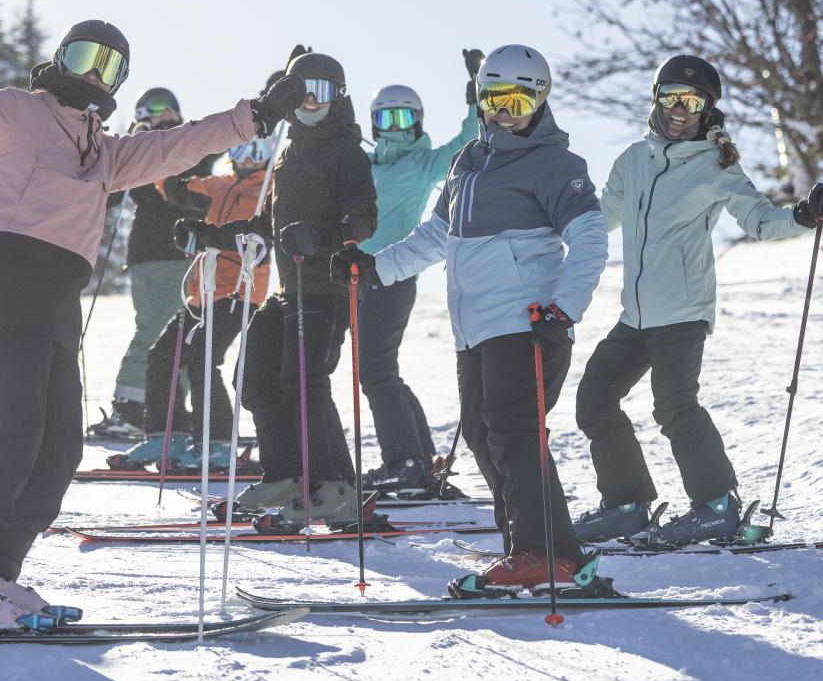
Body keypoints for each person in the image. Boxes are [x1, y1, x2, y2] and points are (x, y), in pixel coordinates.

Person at [0, 20, 303, 628]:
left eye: (111, 66)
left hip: (59, 301)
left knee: (59, 450)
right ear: (61, 56)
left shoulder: (106, 151)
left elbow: (181, 144)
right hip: (5, 289)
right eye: (86, 56)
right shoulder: (18, 114)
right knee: (13, 439)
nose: (95, 74)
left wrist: (258, 114)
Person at [332, 44, 611, 595]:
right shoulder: (468, 163)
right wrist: (374, 268)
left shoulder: (556, 163)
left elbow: (590, 241)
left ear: (540, 99)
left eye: (518, 99)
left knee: (512, 434)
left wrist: (562, 311)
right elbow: (437, 236)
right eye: (494, 98)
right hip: (475, 329)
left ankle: (537, 554)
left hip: (528, 321)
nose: (505, 111)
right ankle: (549, 554)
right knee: (487, 435)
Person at [572, 55, 823, 546]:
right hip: (635, 316)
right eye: (672, 96)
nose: (680, 109)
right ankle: (626, 505)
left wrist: (804, 214)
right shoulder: (632, 160)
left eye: (692, 101)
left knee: (674, 405)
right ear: (656, 98)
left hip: (682, 312)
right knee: (595, 399)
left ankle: (717, 506)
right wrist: (545, 223)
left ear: (707, 110)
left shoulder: (716, 166)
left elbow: (760, 220)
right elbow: (598, 220)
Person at [179, 49, 377, 528]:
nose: (311, 102)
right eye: (301, 92)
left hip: (327, 287)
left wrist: (326, 238)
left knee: (306, 384)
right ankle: (288, 476)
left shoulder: (346, 151)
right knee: (256, 377)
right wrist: (213, 236)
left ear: (340, 96)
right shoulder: (288, 153)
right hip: (289, 290)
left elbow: (364, 216)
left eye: (322, 92)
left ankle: (339, 488)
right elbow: (266, 226)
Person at [355, 50, 481, 493]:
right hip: (355, 278)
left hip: (393, 275)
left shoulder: (422, 162)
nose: (396, 127)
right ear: (373, 125)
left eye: (403, 118)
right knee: (379, 370)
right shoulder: (363, 164)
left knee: (374, 372)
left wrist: (475, 98)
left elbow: (464, 145)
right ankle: (419, 460)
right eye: (386, 119)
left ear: (418, 121)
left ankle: (405, 463)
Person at [115, 136, 273, 470]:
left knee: (203, 360)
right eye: (240, 150)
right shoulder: (222, 184)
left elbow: (267, 238)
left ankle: (217, 446)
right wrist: (160, 164)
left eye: (257, 151)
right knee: (163, 357)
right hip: (202, 294)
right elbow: (177, 191)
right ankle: (164, 438)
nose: (248, 158)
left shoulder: (270, 189)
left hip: (238, 293)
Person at [86, 87, 211, 440]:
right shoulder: (143, 149)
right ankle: (131, 408)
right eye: (157, 107)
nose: (168, 113)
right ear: (142, 114)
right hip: (156, 255)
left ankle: (168, 410)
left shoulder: (187, 147)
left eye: (173, 107)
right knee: (157, 331)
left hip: (190, 254)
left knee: (185, 337)